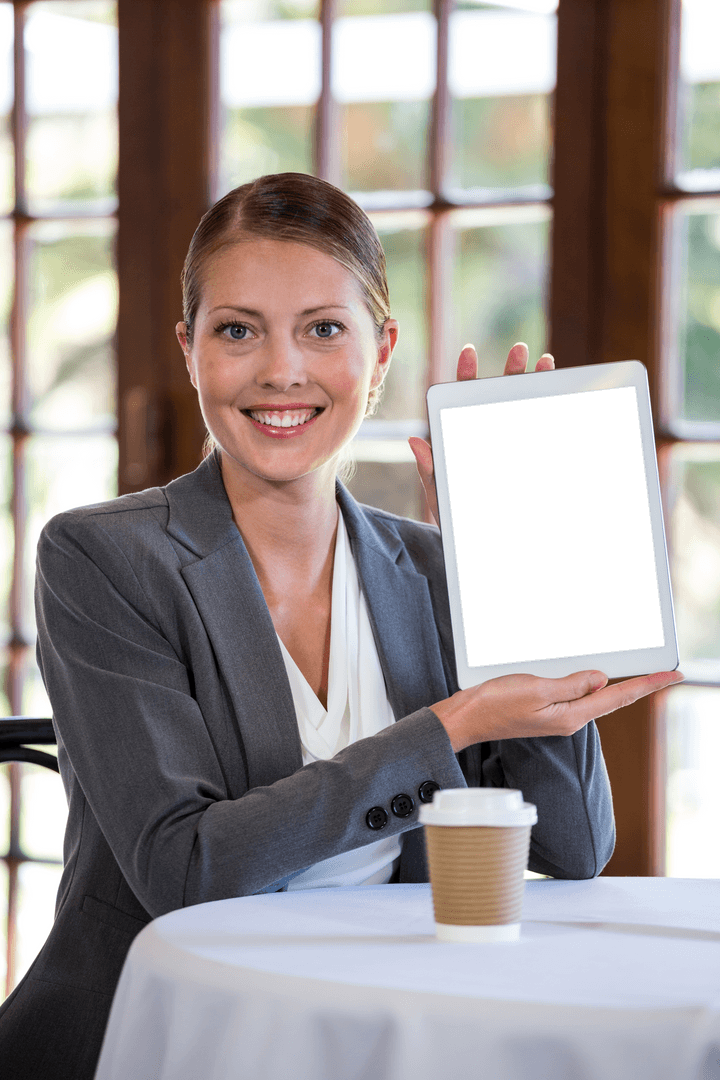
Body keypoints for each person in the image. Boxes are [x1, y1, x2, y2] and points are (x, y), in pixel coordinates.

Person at [0, 172, 682, 1080]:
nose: (282, 371)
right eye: (237, 330)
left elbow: (572, 848)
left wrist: (517, 581)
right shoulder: (104, 558)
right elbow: (185, 871)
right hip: (161, 1032)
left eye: (323, 329)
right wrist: (452, 727)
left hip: (376, 1030)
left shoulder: (436, 569)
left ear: (383, 350)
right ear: (189, 350)